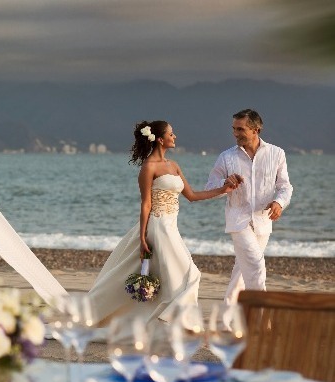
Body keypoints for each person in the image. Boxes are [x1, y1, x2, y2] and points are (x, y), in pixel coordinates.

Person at [88, 120, 240, 326]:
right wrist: (142, 238)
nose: (175, 136)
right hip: (158, 227)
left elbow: (192, 195)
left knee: (172, 276)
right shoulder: (148, 168)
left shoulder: (174, 165)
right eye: (171, 133)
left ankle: (167, 324)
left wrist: (223, 190)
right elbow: (145, 205)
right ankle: (173, 322)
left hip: (171, 227)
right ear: (160, 139)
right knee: (190, 274)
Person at [205, 109, 293, 305]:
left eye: (240, 129)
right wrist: (225, 184)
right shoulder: (226, 157)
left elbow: (285, 186)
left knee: (242, 270)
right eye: (234, 129)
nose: (235, 133)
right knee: (256, 265)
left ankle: (228, 316)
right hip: (238, 221)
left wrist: (279, 202)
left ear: (256, 129)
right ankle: (261, 317)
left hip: (263, 221)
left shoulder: (277, 154)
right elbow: (209, 186)